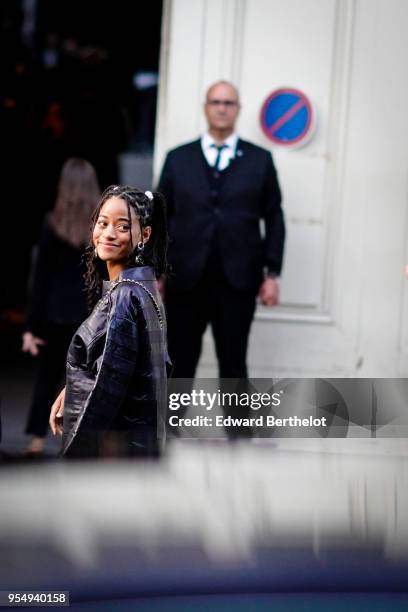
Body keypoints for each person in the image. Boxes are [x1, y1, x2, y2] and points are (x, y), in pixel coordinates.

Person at [158, 80, 285, 382]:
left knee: (233, 364)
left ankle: (238, 430)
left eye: (229, 103)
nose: (222, 108)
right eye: (216, 102)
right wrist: (156, 271)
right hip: (185, 280)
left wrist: (272, 273)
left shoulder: (260, 160)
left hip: (237, 282)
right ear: (206, 108)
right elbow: (159, 217)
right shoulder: (178, 158)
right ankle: (170, 429)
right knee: (178, 362)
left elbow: (274, 217)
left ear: (238, 109)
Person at [49, 185, 170, 458]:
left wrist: (72, 456)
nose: (108, 234)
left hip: (113, 455)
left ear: (145, 235)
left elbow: (108, 387)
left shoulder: (126, 295)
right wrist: (72, 389)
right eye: (103, 223)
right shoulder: (142, 286)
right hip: (136, 449)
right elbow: (114, 366)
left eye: (123, 226)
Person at [22, 158, 100, 456]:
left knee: (46, 378)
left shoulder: (52, 223)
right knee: (85, 382)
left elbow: (39, 278)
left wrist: (30, 327)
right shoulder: (102, 229)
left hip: (54, 316)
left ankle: (36, 440)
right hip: (89, 317)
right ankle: (80, 441)